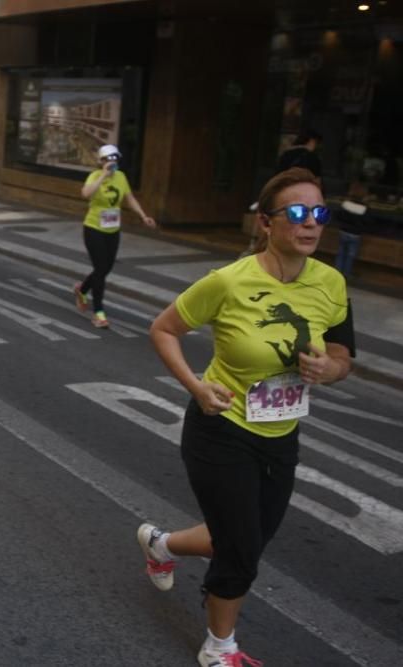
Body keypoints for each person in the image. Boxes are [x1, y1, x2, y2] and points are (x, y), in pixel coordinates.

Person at [142, 167, 354, 667]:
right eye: (297, 213)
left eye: (319, 213)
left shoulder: (331, 283)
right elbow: (164, 329)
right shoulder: (229, 282)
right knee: (240, 550)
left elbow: (345, 355)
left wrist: (329, 369)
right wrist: (196, 385)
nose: (310, 224)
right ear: (265, 222)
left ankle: (162, 543)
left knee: (245, 536)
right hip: (220, 428)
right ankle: (219, 647)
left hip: (281, 434)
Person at [74, 144, 156, 328]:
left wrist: (143, 216)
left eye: (114, 158)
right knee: (101, 269)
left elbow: (129, 198)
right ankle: (99, 313)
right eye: (108, 159)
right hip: (93, 228)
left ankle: (82, 289)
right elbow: (85, 194)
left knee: (105, 268)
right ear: (101, 161)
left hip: (112, 229)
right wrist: (103, 175)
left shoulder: (121, 177)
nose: (112, 162)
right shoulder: (95, 176)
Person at [333, 182, 369, 279]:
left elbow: (338, 216)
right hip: (355, 235)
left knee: (340, 253)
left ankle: (337, 272)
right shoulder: (364, 208)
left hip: (343, 231)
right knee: (350, 255)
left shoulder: (345, 204)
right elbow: (367, 222)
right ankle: (346, 273)